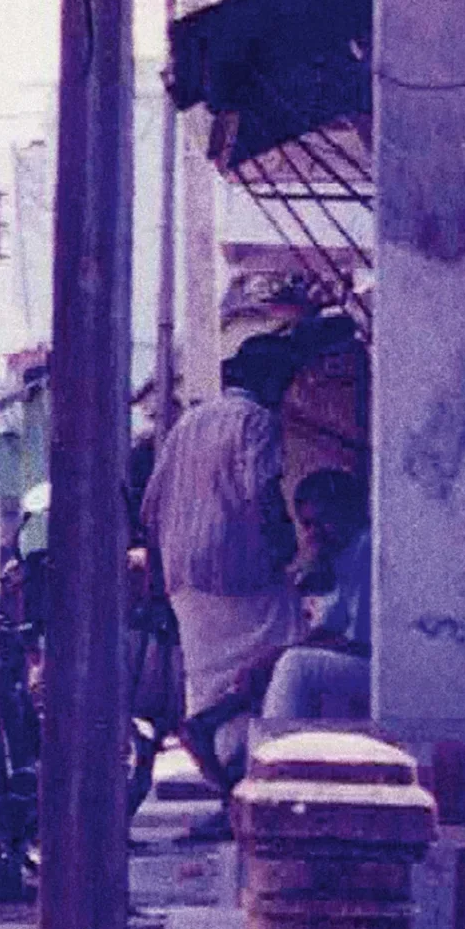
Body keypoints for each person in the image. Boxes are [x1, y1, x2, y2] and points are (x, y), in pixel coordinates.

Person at [139, 331, 303, 794]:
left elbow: (150, 508)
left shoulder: (188, 425)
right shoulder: (256, 420)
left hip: (183, 580)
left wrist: (157, 581)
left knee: (210, 679)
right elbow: (262, 492)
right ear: (271, 380)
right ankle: (233, 760)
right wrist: (287, 549)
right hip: (241, 572)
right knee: (284, 659)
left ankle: (226, 793)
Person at [260, 466, 373, 726]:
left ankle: (277, 759)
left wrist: (281, 655)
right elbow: (327, 630)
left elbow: (358, 643)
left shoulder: (364, 547)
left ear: (348, 513)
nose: (315, 533)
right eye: (308, 524)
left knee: (296, 665)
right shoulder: (339, 555)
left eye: (325, 520)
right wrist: (266, 660)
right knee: (273, 661)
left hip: (388, 672)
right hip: (362, 662)